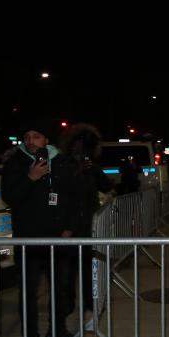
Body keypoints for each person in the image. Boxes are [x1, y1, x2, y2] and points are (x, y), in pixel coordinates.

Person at [2, 120, 81, 337]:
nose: (30, 141)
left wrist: (69, 227)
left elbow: (72, 198)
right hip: (27, 239)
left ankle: (58, 329)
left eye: (36, 136)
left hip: (57, 238)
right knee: (28, 291)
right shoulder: (15, 163)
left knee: (60, 287)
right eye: (26, 137)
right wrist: (30, 178)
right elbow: (10, 197)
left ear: (46, 140)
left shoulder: (62, 163)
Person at [60, 123, 112, 314]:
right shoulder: (62, 165)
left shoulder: (92, 167)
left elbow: (106, 186)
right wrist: (77, 171)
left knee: (90, 268)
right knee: (67, 269)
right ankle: (67, 304)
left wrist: (93, 171)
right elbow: (63, 191)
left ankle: (91, 301)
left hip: (90, 225)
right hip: (68, 225)